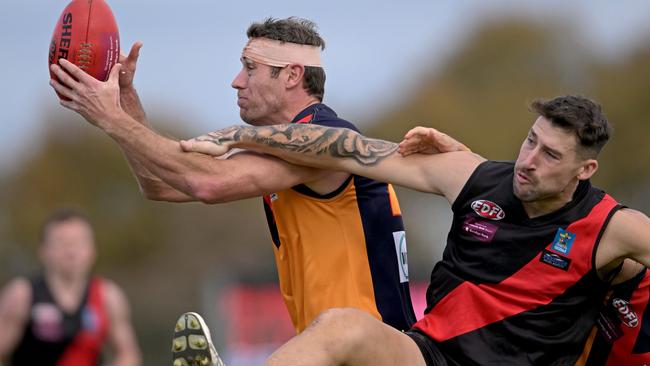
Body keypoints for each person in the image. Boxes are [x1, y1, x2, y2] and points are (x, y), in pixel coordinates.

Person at [48, 16, 467, 365]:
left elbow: (205, 182)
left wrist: (111, 120)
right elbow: (161, 184)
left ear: (292, 75)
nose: (235, 81)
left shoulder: (324, 138)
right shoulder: (285, 150)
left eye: (250, 67)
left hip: (370, 351)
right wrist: (125, 105)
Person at [180, 95, 650, 365]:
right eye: (531, 141)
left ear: (584, 169)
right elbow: (344, 148)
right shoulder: (475, 176)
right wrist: (237, 136)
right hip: (428, 357)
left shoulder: (613, 227)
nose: (528, 160)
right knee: (343, 327)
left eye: (550, 155)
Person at [0, 209, 141, 366]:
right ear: (43, 251)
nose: (71, 251)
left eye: (79, 242)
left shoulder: (108, 296)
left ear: (92, 250)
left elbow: (128, 354)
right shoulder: (21, 295)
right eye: (61, 243)